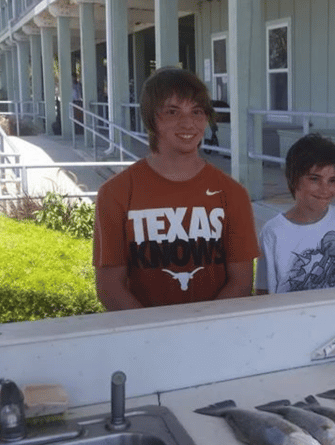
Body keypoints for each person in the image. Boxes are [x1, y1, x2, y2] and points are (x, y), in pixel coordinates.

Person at [92, 67, 260, 310]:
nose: (188, 123)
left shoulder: (232, 194)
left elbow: (241, 282)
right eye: (172, 112)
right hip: (146, 339)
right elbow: (110, 286)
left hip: (213, 336)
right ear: (151, 118)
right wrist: (158, 336)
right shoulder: (115, 194)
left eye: (197, 112)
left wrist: (199, 331)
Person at [255, 133, 335, 294]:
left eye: (332, 180)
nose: (325, 189)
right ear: (293, 178)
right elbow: (263, 293)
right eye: (314, 179)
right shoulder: (272, 232)